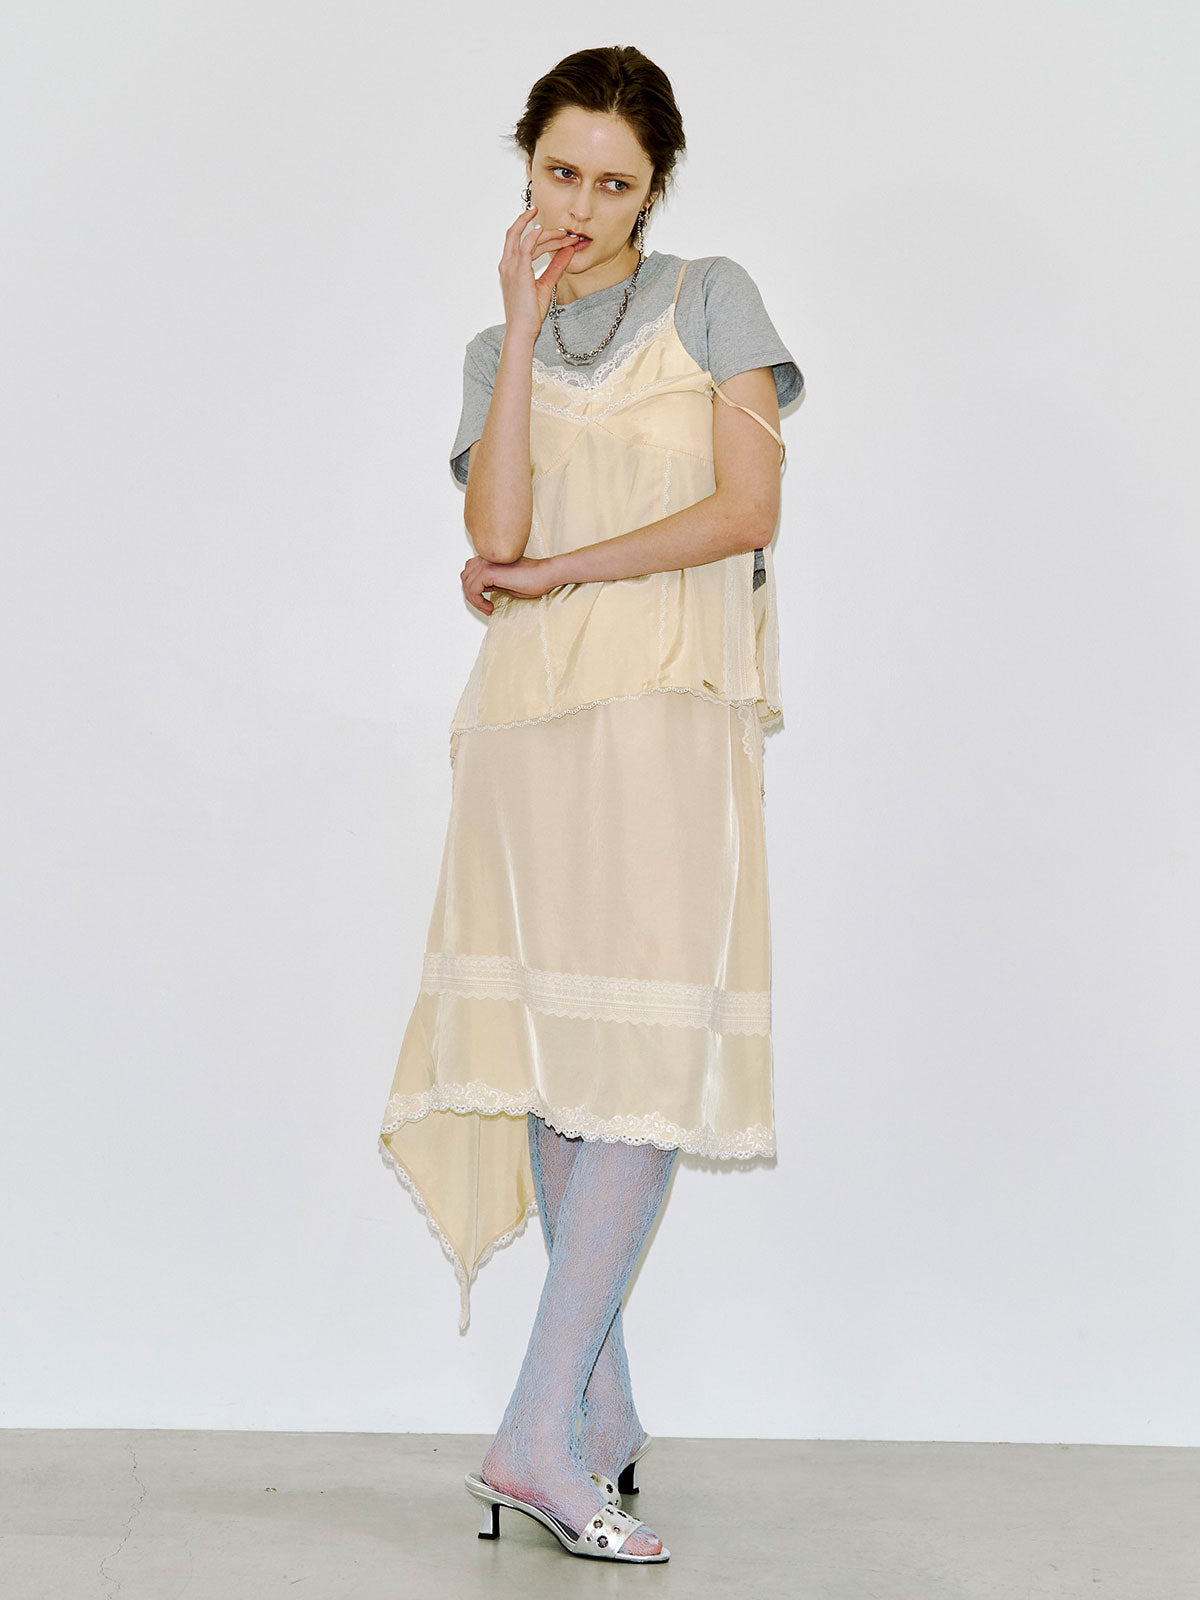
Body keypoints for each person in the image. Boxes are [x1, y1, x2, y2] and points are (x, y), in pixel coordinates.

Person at [377, 44, 804, 1564]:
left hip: (667, 712)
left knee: (641, 1056)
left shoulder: (712, 298)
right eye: (560, 172)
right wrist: (518, 323)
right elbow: (494, 525)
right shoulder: (493, 349)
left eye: (614, 183)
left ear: (655, 189)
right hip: (527, 730)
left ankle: (536, 1429)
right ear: (528, 167)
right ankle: (581, 1419)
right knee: (565, 1060)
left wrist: (557, 571)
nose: (581, 205)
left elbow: (744, 510)